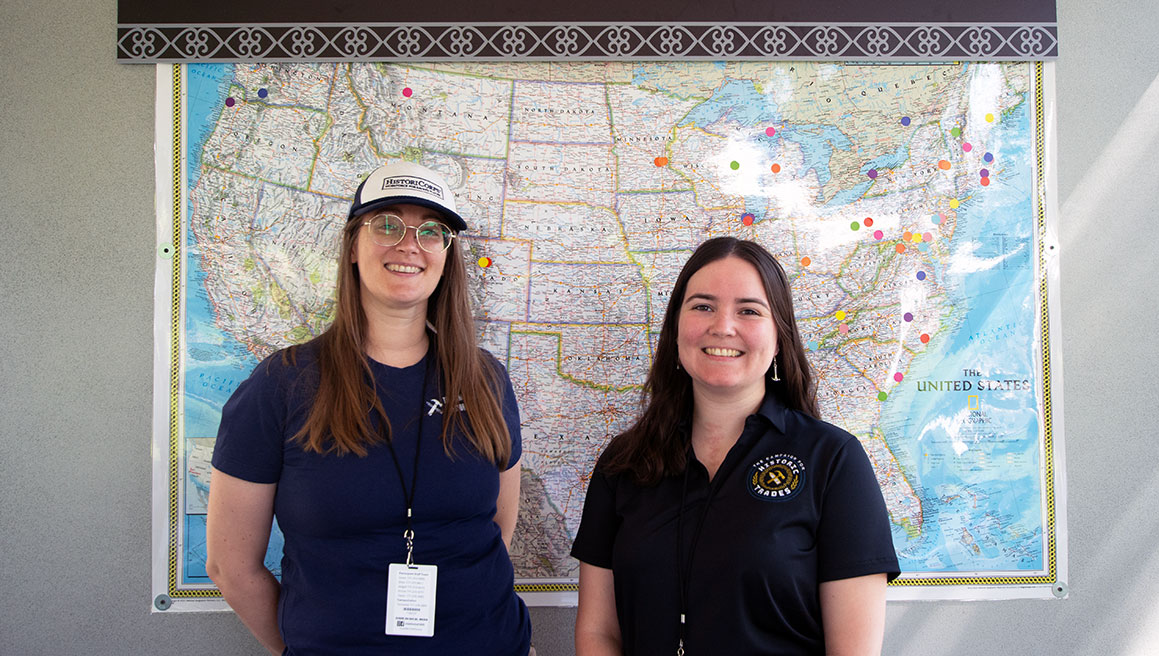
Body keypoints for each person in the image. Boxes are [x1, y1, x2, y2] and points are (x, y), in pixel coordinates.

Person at [206, 161, 531, 655]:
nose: (409, 245)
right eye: (387, 225)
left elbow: (495, 532)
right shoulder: (283, 384)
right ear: (353, 247)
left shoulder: (485, 379)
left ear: (446, 255)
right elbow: (231, 567)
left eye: (431, 231)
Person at [572, 237, 900, 656]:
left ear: (779, 338)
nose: (723, 326)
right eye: (703, 306)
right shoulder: (623, 464)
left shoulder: (833, 461)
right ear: (676, 328)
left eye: (748, 310)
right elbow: (600, 633)